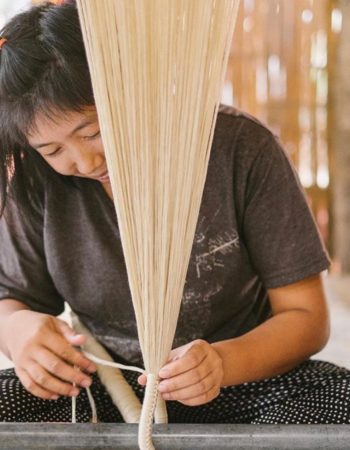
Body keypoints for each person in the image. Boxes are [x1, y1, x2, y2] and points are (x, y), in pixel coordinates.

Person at [0, 1, 349, 425]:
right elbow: (11, 300)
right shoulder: (39, 180)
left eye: (92, 132)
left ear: (128, 89)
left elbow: (307, 317)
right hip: (107, 385)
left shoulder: (240, 151)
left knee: (339, 400)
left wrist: (221, 363)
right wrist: (17, 333)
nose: (85, 161)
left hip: (244, 378)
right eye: (53, 149)